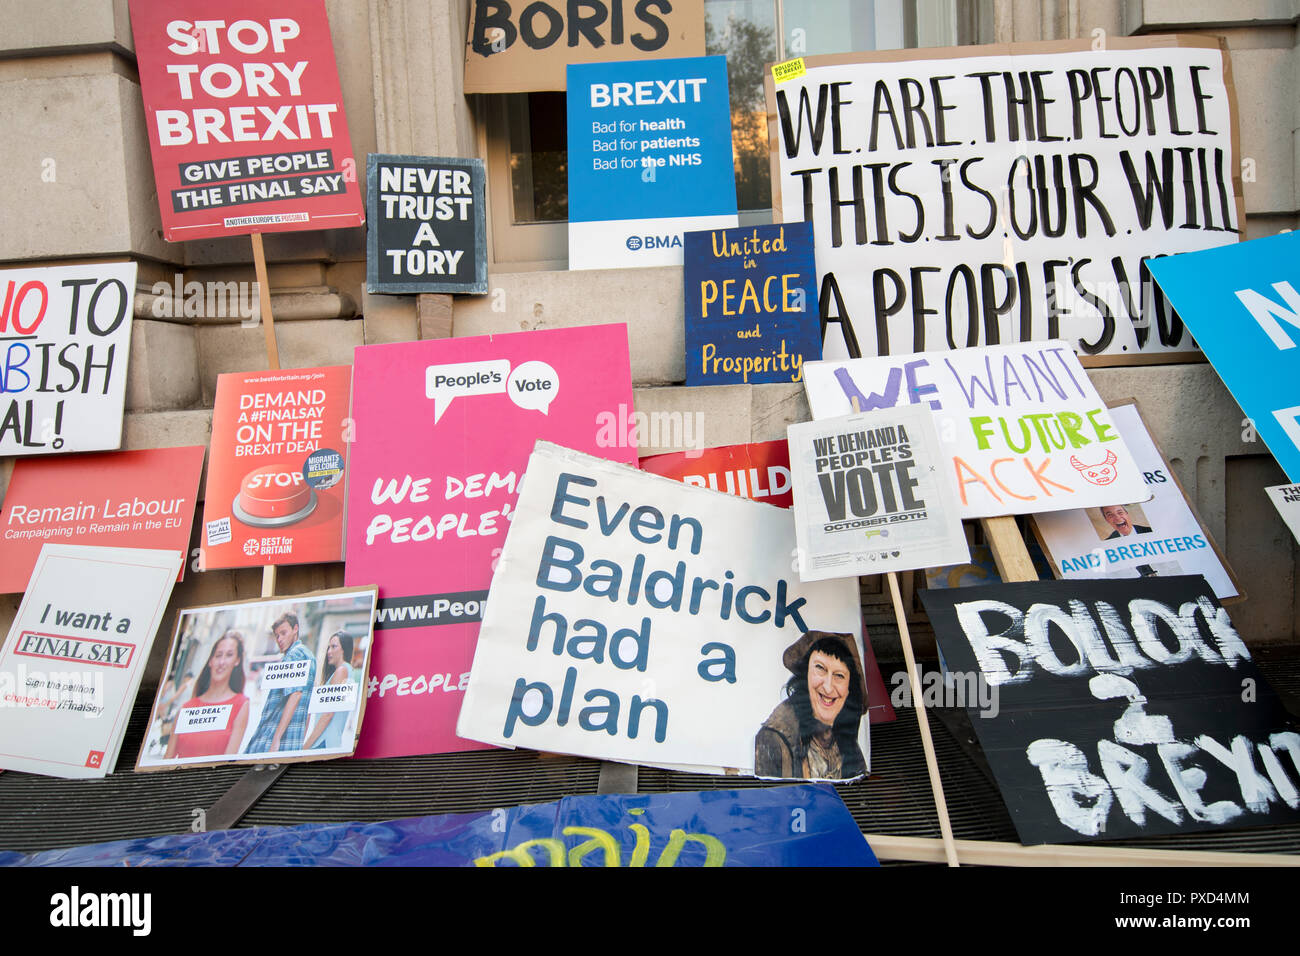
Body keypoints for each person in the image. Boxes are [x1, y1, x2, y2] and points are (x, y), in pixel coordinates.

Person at [754, 631, 867, 780]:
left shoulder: (844, 735)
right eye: (820, 668)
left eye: (839, 676)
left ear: (849, 689)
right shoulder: (776, 740)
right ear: (805, 675)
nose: (828, 687)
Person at [165, 631, 250, 759]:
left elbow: (227, 762)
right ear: (211, 661)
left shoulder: (241, 705)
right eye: (218, 655)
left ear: (237, 661)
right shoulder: (186, 708)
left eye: (229, 655)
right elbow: (167, 760)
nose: (221, 662)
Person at [245, 611, 317, 754]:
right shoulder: (309, 655)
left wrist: (276, 739)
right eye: (277, 635)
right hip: (292, 738)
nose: (279, 639)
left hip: (273, 735)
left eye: (284, 633)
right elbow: (308, 703)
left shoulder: (293, 654)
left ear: (295, 629)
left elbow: (296, 694)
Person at [303, 631, 358, 752]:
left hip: (323, 742)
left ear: (344, 649)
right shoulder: (347, 671)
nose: (329, 651)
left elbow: (328, 714)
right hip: (330, 741)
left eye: (334, 647)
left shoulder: (342, 671)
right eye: (329, 647)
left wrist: (306, 746)